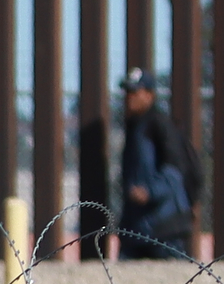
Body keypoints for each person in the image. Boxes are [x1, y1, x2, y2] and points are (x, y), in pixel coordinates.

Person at [76, 69, 200, 260]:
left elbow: (176, 169)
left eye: (135, 92)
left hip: (164, 226)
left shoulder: (159, 125)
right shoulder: (135, 127)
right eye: (127, 92)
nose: (129, 98)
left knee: (171, 274)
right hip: (137, 226)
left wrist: (150, 191)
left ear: (150, 95)